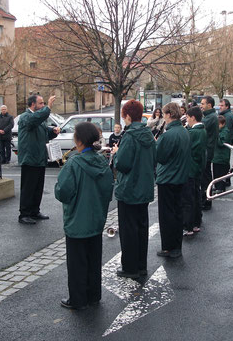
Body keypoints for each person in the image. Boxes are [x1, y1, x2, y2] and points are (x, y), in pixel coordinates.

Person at [55, 122, 114, 310]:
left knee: (77, 262)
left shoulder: (73, 163)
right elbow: (107, 190)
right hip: (96, 218)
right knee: (94, 258)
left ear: (78, 140)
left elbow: (62, 192)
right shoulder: (103, 161)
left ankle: (78, 298)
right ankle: (93, 294)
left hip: (77, 219)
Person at [111, 100, 156, 279]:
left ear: (128, 116)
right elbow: (154, 158)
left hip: (129, 189)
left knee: (128, 230)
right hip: (144, 188)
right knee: (141, 228)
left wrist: (116, 154)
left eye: (124, 117)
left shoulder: (129, 136)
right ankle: (141, 265)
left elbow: (122, 164)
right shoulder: (148, 134)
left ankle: (130, 267)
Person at [18, 95, 60, 224]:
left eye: (43, 104)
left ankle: (34, 211)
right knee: (28, 188)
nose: (42, 106)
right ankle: (24, 214)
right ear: (32, 104)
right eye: (40, 103)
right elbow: (33, 121)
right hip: (29, 158)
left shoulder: (38, 119)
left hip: (39, 158)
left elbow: (43, 132)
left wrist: (53, 131)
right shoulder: (25, 117)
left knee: (38, 187)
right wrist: (48, 108)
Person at [156, 102, 190, 258]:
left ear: (169, 114)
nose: (163, 117)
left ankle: (168, 247)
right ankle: (176, 246)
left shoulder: (168, 134)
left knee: (167, 215)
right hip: (180, 177)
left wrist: (156, 144)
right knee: (177, 213)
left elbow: (160, 157)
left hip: (168, 179)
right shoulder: (184, 131)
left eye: (164, 114)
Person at [182, 107, 207, 235]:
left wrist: (185, 128)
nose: (186, 120)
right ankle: (197, 222)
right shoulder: (202, 130)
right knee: (196, 196)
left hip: (190, 168)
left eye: (187, 117)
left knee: (188, 198)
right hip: (197, 167)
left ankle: (188, 226)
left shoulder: (193, 132)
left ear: (192, 117)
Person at [200, 96, 218, 211]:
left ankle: (206, 200)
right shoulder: (209, 116)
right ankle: (205, 199)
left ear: (209, 105)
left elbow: (199, 126)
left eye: (203, 104)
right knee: (205, 177)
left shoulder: (210, 117)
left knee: (205, 178)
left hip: (207, 151)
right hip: (207, 150)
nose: (201, 106)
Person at [212, 115, 232, 193]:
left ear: (223, 124)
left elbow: (221, 143)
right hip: (216, 157)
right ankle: (217, 186)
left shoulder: (225, 131)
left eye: (219, 125)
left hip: (222, 157)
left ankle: (221, 187)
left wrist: (216, 135)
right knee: (216, 172)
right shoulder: (220, 131)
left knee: (221, 173)